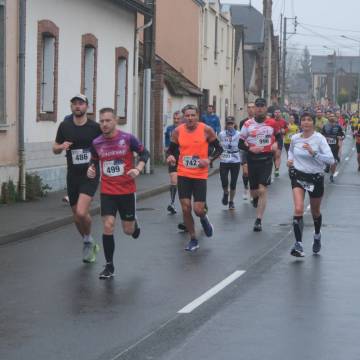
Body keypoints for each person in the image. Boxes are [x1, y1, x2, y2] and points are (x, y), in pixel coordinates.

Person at [88, 108, 149, 279]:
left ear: (115, 121)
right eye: (101, 121)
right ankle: (109, 266)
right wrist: (91, 170)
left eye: (108, 120)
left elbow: (145, 153)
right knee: (108, 225)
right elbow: (93, 161)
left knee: (128, 231)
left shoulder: (127, 139)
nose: (104, 124)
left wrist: (138, 168)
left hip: (127, 191)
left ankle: (134, 224)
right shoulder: (96, 142)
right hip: (107, 191)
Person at [53, 94, 102, 263]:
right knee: (76, 215)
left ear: (87, 106)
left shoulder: (95, 127)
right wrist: (61, 146)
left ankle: (88, 240)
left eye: (80, 103)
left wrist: (97, 162)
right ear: (71, 107)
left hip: (90, 173)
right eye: (74, 103)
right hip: (72, 175)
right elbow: (55, 147)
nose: (77, 106)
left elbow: (106, 144)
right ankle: (88, 241)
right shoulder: (65, 126)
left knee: (82, 212)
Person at [166, 105, 223, 251]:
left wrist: (209, 160)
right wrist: (171, 156)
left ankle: (204, 219)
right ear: (184, 117)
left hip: (199, 175)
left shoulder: (206, 130)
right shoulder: (178, 131)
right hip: (183, 173)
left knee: (198, 210)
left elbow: (219, 148)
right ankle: (193, 239)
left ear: (198, 116)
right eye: (187, 116)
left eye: (193, 115)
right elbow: (170, 150)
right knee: (185, 208)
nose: (190, 118)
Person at [287, 112, 335, 257]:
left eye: (309, 120)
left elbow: (331, 160)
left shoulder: (319, 139)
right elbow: (290, 152)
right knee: (298, 208)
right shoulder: (295, 138)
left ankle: (317, 234)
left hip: (315, 177)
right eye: (303, 120)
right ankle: (299, 245)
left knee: (315, 211)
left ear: (313, 123)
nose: (306, 123)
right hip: (298, 175)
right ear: (300, 123)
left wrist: (314, 153)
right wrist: (289, 161)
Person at [238, 98, 281, 232]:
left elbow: (279, 137)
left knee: (263, 189)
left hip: (266, 159)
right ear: (254, 108)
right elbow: (240, 143)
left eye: (262, 106)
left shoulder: (272, 123)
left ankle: (258, 220)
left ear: (266, 108)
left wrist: (276, 144)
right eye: (258, 106)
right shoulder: (247, 124)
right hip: (252, 159)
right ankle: (255, 198)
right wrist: (249, 149)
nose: (260, 108)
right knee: (254, 191)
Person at [218, 116, 242, 209]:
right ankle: (225, 192)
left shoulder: (239, 134)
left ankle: (231, 201)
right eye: (228, 124)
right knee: (224, 180)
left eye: (231, 124)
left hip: (235, 159)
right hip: (224, 158)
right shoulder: (221, 134)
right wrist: (219, 153)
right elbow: (218, 145)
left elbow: (243, 144)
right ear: (226, 124)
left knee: (233, 182)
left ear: (234, 124)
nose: (230, 126)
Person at [164, 111, 182, 214]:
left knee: (183, 183)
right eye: (174, 119)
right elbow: (167, 145)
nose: (176, 120)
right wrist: (168, 154)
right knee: (173, 180)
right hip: (173, 158)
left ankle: (186, 202)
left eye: (178, 119)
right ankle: (172, 203)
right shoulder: (169, 129)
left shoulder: (186, 129)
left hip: (184, 159)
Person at [321, 113, 345, 183]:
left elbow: (343, 135)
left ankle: (332, 176)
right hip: (326, 147)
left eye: (333, 116)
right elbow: (322, 135)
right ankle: (327, 166)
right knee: (327, 160)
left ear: (334, 118)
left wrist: (341, 137)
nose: (332, 117)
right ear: (328, 118)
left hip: (335, 147)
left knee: (333, 162)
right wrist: (325, 137)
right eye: (330, 116)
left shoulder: (338, 126)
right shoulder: (325, 126)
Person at [238, 102, 255, 200]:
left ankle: (253, 192)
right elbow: (242, 136)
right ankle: (245, 188)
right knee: (245, 172)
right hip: (245, 149)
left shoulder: (258, 121)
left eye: (253, 107)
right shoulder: (243, 122)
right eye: (249, 107)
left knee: (253, 172)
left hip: (255, 150)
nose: (251, 109)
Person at [272, 108, 288, 177]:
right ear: (274, 113)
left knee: (277, 155)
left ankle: (277, 169)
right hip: (272, 139)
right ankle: (274, 166)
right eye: (276, 112)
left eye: (278, 112)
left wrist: (284, 130)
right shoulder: (271, 121)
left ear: (280, 113)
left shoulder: (283, 121)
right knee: (273, 156)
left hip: (279, 139)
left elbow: (287, 128)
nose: (277, 113)